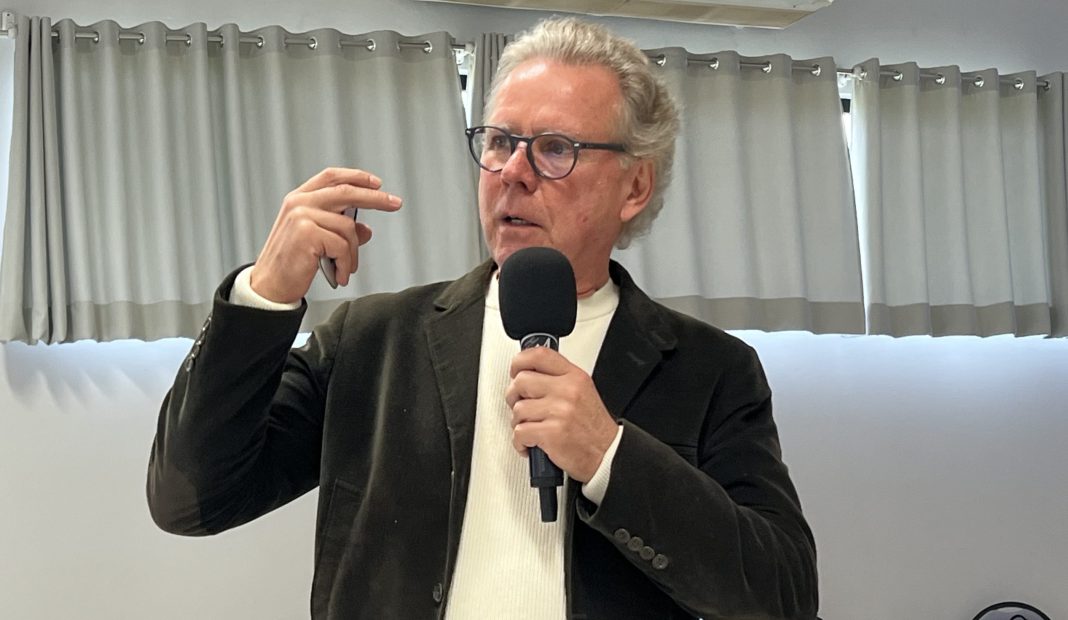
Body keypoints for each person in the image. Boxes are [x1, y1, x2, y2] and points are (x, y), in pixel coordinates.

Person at [147, 16, 818, 620]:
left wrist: (609, 456)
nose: (512, 172)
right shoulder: (373, 342)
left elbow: (783, 595)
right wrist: (264, 296)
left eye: (554, 148)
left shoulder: (710, 369)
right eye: (499, 141)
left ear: (634, 186)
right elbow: (191, 499)